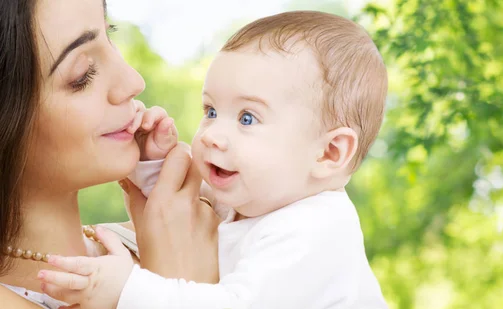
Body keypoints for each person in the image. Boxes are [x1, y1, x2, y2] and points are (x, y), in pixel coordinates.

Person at [39, 10, 389, 309]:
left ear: (329, 153)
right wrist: (153, 164)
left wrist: (127, 290)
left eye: (247, 118)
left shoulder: (314, 233)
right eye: (211, 110)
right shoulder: (262, 199)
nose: (209, 135)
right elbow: (187, 209)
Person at [0, 0, 220, 308]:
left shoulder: (173, 232)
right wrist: (173, 291)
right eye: (83, 75)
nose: (133, 81)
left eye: (110, 34)